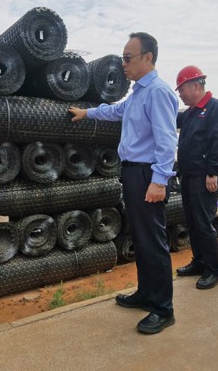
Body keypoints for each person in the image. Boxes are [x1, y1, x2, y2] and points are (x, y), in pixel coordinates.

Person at [68, 32, 178, 334]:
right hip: (132, 172)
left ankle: (163, 309)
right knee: (141, 239)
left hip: (147, 175)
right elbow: (116, 111)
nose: (123, 64)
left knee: (153, 242)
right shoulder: (138, 93)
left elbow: (167, 141)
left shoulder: (158, 92)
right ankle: (146, 294)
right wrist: (86, 112)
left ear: (148, 58)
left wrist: (159, 181)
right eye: (122, 58)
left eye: (128, 58)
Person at [173, 65, 218, 290]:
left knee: (204, 224)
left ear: (195, 86)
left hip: (204, 177)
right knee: (193, 222)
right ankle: (198, 262)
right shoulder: (190, 112)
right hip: (188, 176)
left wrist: (213, 172)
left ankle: (214, 270)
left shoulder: (215, 108)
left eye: (182, 90)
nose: (180, 95)